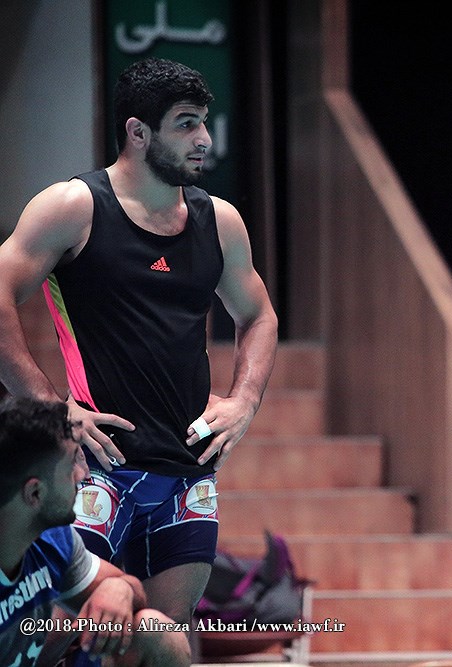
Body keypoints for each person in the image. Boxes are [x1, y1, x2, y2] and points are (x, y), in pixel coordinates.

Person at [0, 57, 278, 630]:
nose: (204, 139)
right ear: (138, 132)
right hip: (95, 466)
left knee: (163, 638)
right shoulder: (73, 208)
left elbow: (258, 315)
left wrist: (245, 400)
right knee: (69, 633)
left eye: (204, 122)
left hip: (187, 470)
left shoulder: (219, 220)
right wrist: (48, 406)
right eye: (186, 124)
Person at [0, 397, 190, 666]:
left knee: (153, 629)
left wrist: (118, 588)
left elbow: (132, 589)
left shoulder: (55, 540)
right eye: (70, 467)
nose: (82, 475)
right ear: (35, 493)